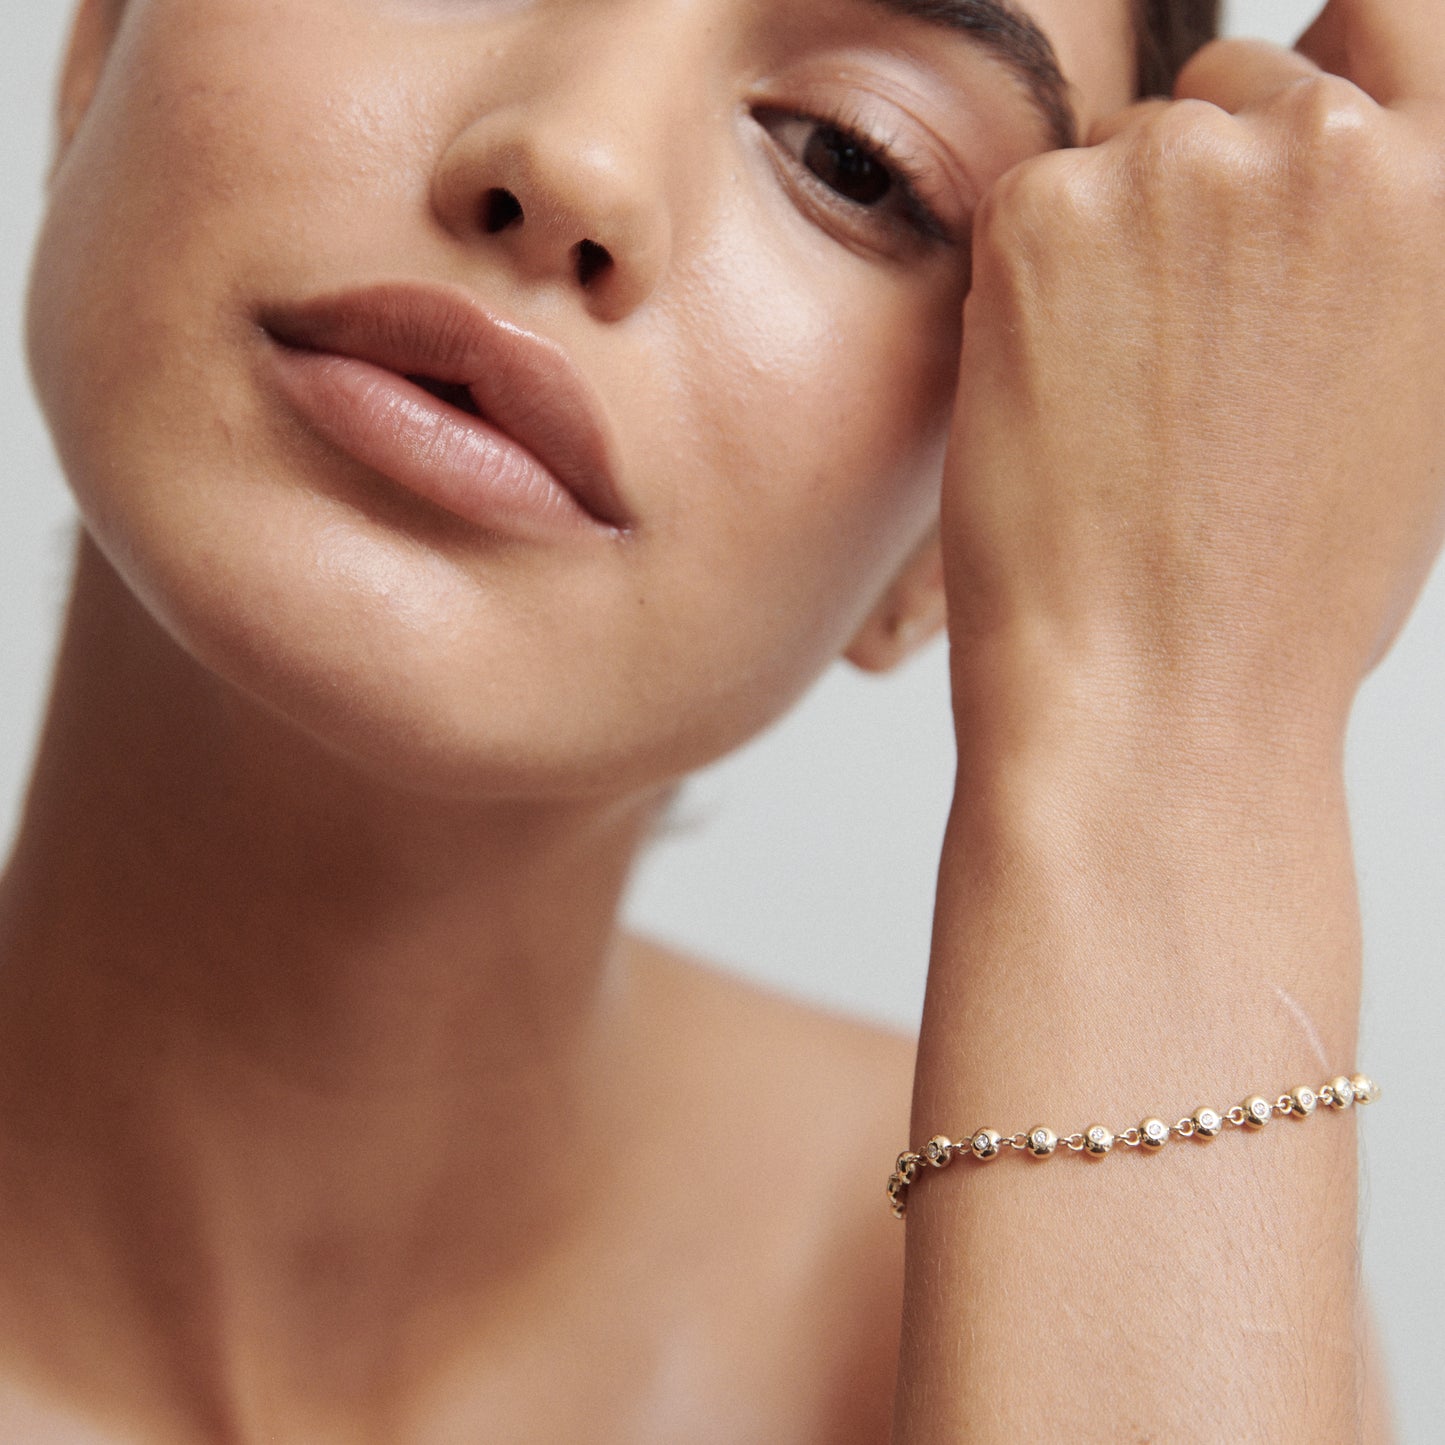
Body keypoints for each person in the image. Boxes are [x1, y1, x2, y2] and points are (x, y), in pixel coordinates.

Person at [0, 0, 1438, 1436]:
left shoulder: (1055, 1251)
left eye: (853, 157)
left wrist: (1180, 710)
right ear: (94, 49)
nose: (575, 164)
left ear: (953, 529)